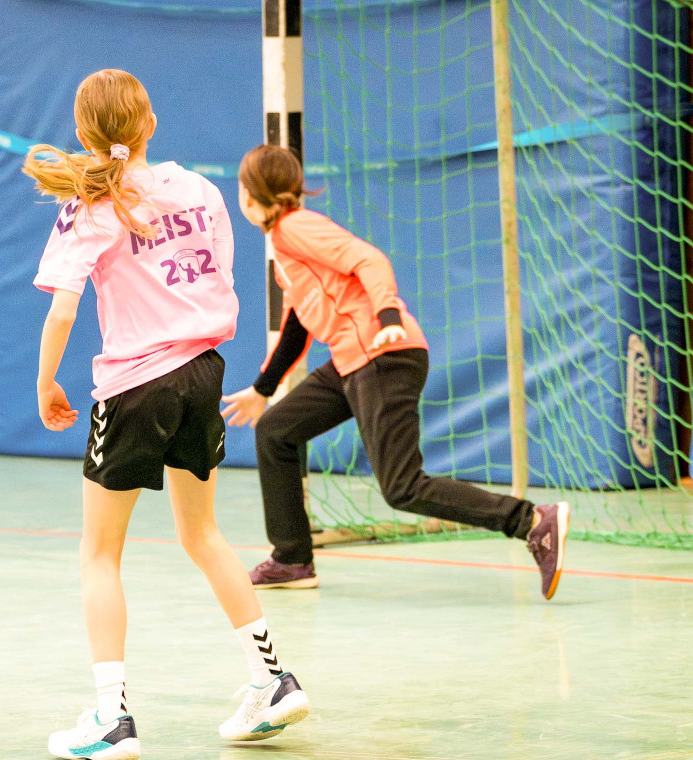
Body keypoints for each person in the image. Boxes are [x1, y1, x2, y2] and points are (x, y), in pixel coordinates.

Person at [25, 71, 310, 760]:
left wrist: (46, 382)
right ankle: (272, 679)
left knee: (100, 553)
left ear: (85, 134)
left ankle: (111, 719)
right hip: (202, 372)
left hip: (133, 384)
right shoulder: (203, 192)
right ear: (150, 123)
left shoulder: (92, 206)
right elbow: (220, 279)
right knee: (202, 533)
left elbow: (63, 310)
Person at [221, 144, 569, 600]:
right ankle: (291, 559)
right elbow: (297, 323)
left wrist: (387, 314)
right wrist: (263, 389)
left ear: (249, 194)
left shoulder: (294, 228)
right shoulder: (286, 244)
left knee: (402, 487)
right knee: (275, 431)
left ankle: (531, 520)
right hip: (354, 360)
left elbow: (369, 259)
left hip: (382, 355)